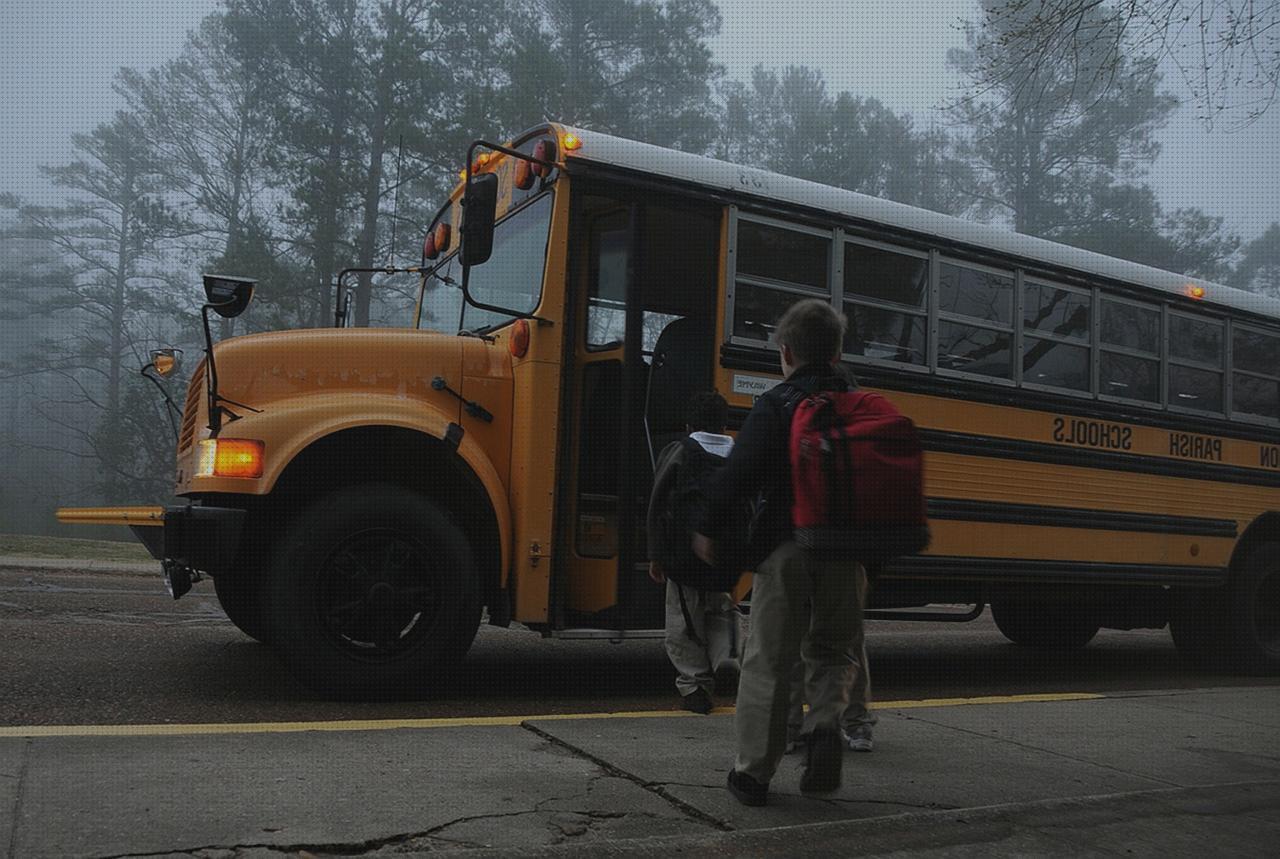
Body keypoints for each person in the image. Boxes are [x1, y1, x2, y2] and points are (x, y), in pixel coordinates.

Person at [694, 298, 866, 806]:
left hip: (787, 548)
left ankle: (753, 774)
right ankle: (827, 724)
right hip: (848, 553)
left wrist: (706, 528)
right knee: (835, 652)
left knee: (769, 660)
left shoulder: (778, 403)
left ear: (786, 351)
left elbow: (737, 475)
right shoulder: (861, 406)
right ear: (836, 352)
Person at [647, 391, 742, 716]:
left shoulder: (679, 452)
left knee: (683, 622)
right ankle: (726, 659)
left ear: (689, 424)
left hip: (682, 556)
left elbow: (658, 504)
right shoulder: (739, 454)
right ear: (725, 423)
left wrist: (657, 554)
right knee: (720, 612)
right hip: (724, 558)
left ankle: (694, 686)